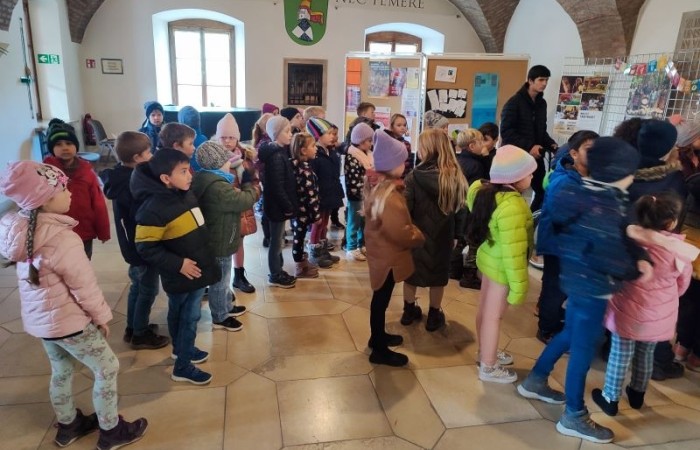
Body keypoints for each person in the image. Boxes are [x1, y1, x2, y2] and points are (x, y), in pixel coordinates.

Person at [0, 161, 147, 450]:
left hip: (43, 323)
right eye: (62, 189)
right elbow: (84, 287)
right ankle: (111, 431)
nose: (70, 193)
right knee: (107, 368)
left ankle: (69, 425)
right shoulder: (62, 239)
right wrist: (101, 317)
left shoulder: (20, 231)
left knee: (62, 370)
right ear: (44, 199)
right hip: (69, 323)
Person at [517, 137, 652, 444]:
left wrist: (639, 255)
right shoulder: (605, 205)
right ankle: (574, 415)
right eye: (631, 172)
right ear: (619, 173)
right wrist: (634, 268)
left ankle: (536, 380)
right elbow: (609, 252)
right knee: (582, 350)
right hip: (592, 288)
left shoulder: (590, 193)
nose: (633, 177)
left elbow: (620, 236)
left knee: (569, 333)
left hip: (577, 281)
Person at [592, 194, 698, 416]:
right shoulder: (677, 251)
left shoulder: (631, 243)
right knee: (646, 354)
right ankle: (637, 394)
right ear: (671, 222)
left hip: (626, 309)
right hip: (658, 313)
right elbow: (683, 284)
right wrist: (666, 300)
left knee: (620, 354)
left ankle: (610, 398)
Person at [132, 149, 221, 385]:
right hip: (181, 273)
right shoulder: (152, 210)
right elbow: (145, 247)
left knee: (183, 314)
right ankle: (182, 366)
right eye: (183, 171)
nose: (190, 175)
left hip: (196, 268)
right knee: (188, 318)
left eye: (188, 169)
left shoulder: (184, 194)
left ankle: (182, 349)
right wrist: (178, 264)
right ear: (165, 178)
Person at [467, 145, 537, 383]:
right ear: (514, 177)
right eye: (528, 173)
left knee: (485, 312)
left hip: (490, 260)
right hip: (502, 267)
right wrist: (519, 288)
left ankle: (485, 352)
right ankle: (488, 366)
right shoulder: (513, 206)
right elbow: (514, 252)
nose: (532, 177)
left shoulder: (486, 194)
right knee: (493, 317)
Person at [99, 131, 169, 349]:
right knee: (148, 289)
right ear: (137, 158)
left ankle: (133, 326)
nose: (152, 155)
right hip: (142, 246)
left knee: (137, 286)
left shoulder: (118, 176)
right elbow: (145, 215)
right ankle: (140, 334)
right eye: (149, 152)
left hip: (131, 245)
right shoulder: (134, 183)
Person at [365, 131, 425, 366]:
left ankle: (377, 337)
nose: (405, 164)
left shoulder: (383, 187)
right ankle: (379, 350)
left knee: (380, 299)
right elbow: (400, 231)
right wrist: (418, 235)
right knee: (380, 300)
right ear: (391, 166)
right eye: (402, 161)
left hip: (382, 255)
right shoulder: (389, 197)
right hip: (387, 258)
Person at [401, 129, 469, 332]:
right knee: (438, 277)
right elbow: (461, 210)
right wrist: (458, 235)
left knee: (410, 275)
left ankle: (408, 311)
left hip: (416, 235)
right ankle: (433, 315)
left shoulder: (414, 176)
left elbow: (405, 209)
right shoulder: (455, 176)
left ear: (427, 149)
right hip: (443, 235)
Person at [535, 130, 598, 344]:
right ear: (574, 153)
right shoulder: (564, 181)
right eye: (589, 149)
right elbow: (561, 215)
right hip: (559, 245)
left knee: (561, 286)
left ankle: (553, 318)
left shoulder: (586, 177)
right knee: (555, 288)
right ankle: (547, 328)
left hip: (573, 246)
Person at [191, 141, 259, 332]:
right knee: (220, 281)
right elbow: (244, 201)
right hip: (220, 240)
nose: (230, 164)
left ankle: (227, 306)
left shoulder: (204, 178)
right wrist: (248, 183)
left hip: (216, 236)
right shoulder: (219, 187)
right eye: (227, 161)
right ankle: (220, 316)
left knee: (223, 278)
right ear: (218, 164)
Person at [43, 119, 110, 259]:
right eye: (58, 144)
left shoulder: (87, 172)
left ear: (76, 146)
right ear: (51, 149)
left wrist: (103, 231)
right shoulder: (46, 173)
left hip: (83, 231)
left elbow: (98, 203)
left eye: (69, 143)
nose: (64, 148)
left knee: (83, 263)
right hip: (56, 233)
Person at [500, 65, 558, 212]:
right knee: (512, 195)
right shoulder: (514, 103)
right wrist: (529, 146)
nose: (544, 83)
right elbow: (506, 132)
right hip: (515, 158)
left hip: (535, 157)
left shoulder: (542, 104)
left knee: (542, 191)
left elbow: (541, 131)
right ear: (530, 81)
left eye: (546, 80)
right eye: (541, 80)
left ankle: (531, 219)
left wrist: (552, 145)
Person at [213, 113, 257, 293]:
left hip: (240, 209)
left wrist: (250, 194)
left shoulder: (245, 160)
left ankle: (239, 276)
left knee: (238, 242)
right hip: (221, 211)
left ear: (237, 138)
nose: (227, 141)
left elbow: (255, 183)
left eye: (231, 137)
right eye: (223, 137)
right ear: (217, 138)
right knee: (221, 248)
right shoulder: (213, 158)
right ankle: (220, 286)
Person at [258, 116, 298, 288]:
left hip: (277, 206)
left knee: (278, 239)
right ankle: (275, 274)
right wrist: (288, 206)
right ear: (276, 134)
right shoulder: (275, 156)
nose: (290, 134)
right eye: (287, 131)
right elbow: (277, 187)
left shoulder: (280, 152)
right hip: (277, 207)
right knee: (276, 242)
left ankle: (279, 270)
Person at [452, 128, 489, 289]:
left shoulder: (457, 161)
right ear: (472, 146)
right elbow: (478, 190)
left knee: (459, 240)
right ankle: (469, 275)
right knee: (472, 242)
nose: (483, 146)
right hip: (470, 209)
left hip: (457, 207)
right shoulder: (476, 165)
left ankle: (453, 270)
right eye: (481, 142)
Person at [307, 117, 343, 267]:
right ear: (318, 135)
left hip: (330, 192)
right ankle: (314, 251)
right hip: (320, 195)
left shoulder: (330, 151)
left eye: (332, 133)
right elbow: (313, 177)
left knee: (325, 222)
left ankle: (323, 249)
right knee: (318, 223)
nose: (332, 136)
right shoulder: (315, 155)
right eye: (328, 133)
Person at [290, 132, 325, 276]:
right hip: (302, 212)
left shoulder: (299, 166)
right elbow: (310, 196)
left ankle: (302, 261)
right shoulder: (304, 170)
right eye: (313, 146)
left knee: (299, 236)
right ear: (303, 150)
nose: (316, 148)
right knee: (298, 238)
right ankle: (300, 266)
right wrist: (316, 216)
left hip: (300, 211)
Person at [345, 122, 375, 261]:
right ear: (361, 141)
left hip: (367, 194)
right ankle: (351, 248)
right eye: (369, 140)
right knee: (354, 221)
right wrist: (362, 191)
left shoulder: (368, 154)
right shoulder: (352, 156)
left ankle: (361, 244)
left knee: (364, 221)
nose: (371, 143)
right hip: (356, 195)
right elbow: (353, 179)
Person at [384, 113, 414, 178]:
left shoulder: (407, 144)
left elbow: (409, 162)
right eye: (399, 125)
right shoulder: (387, 143)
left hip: (404, 177)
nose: (402, 127)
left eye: (404, 125)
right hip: (390, 177)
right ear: (392, 127)